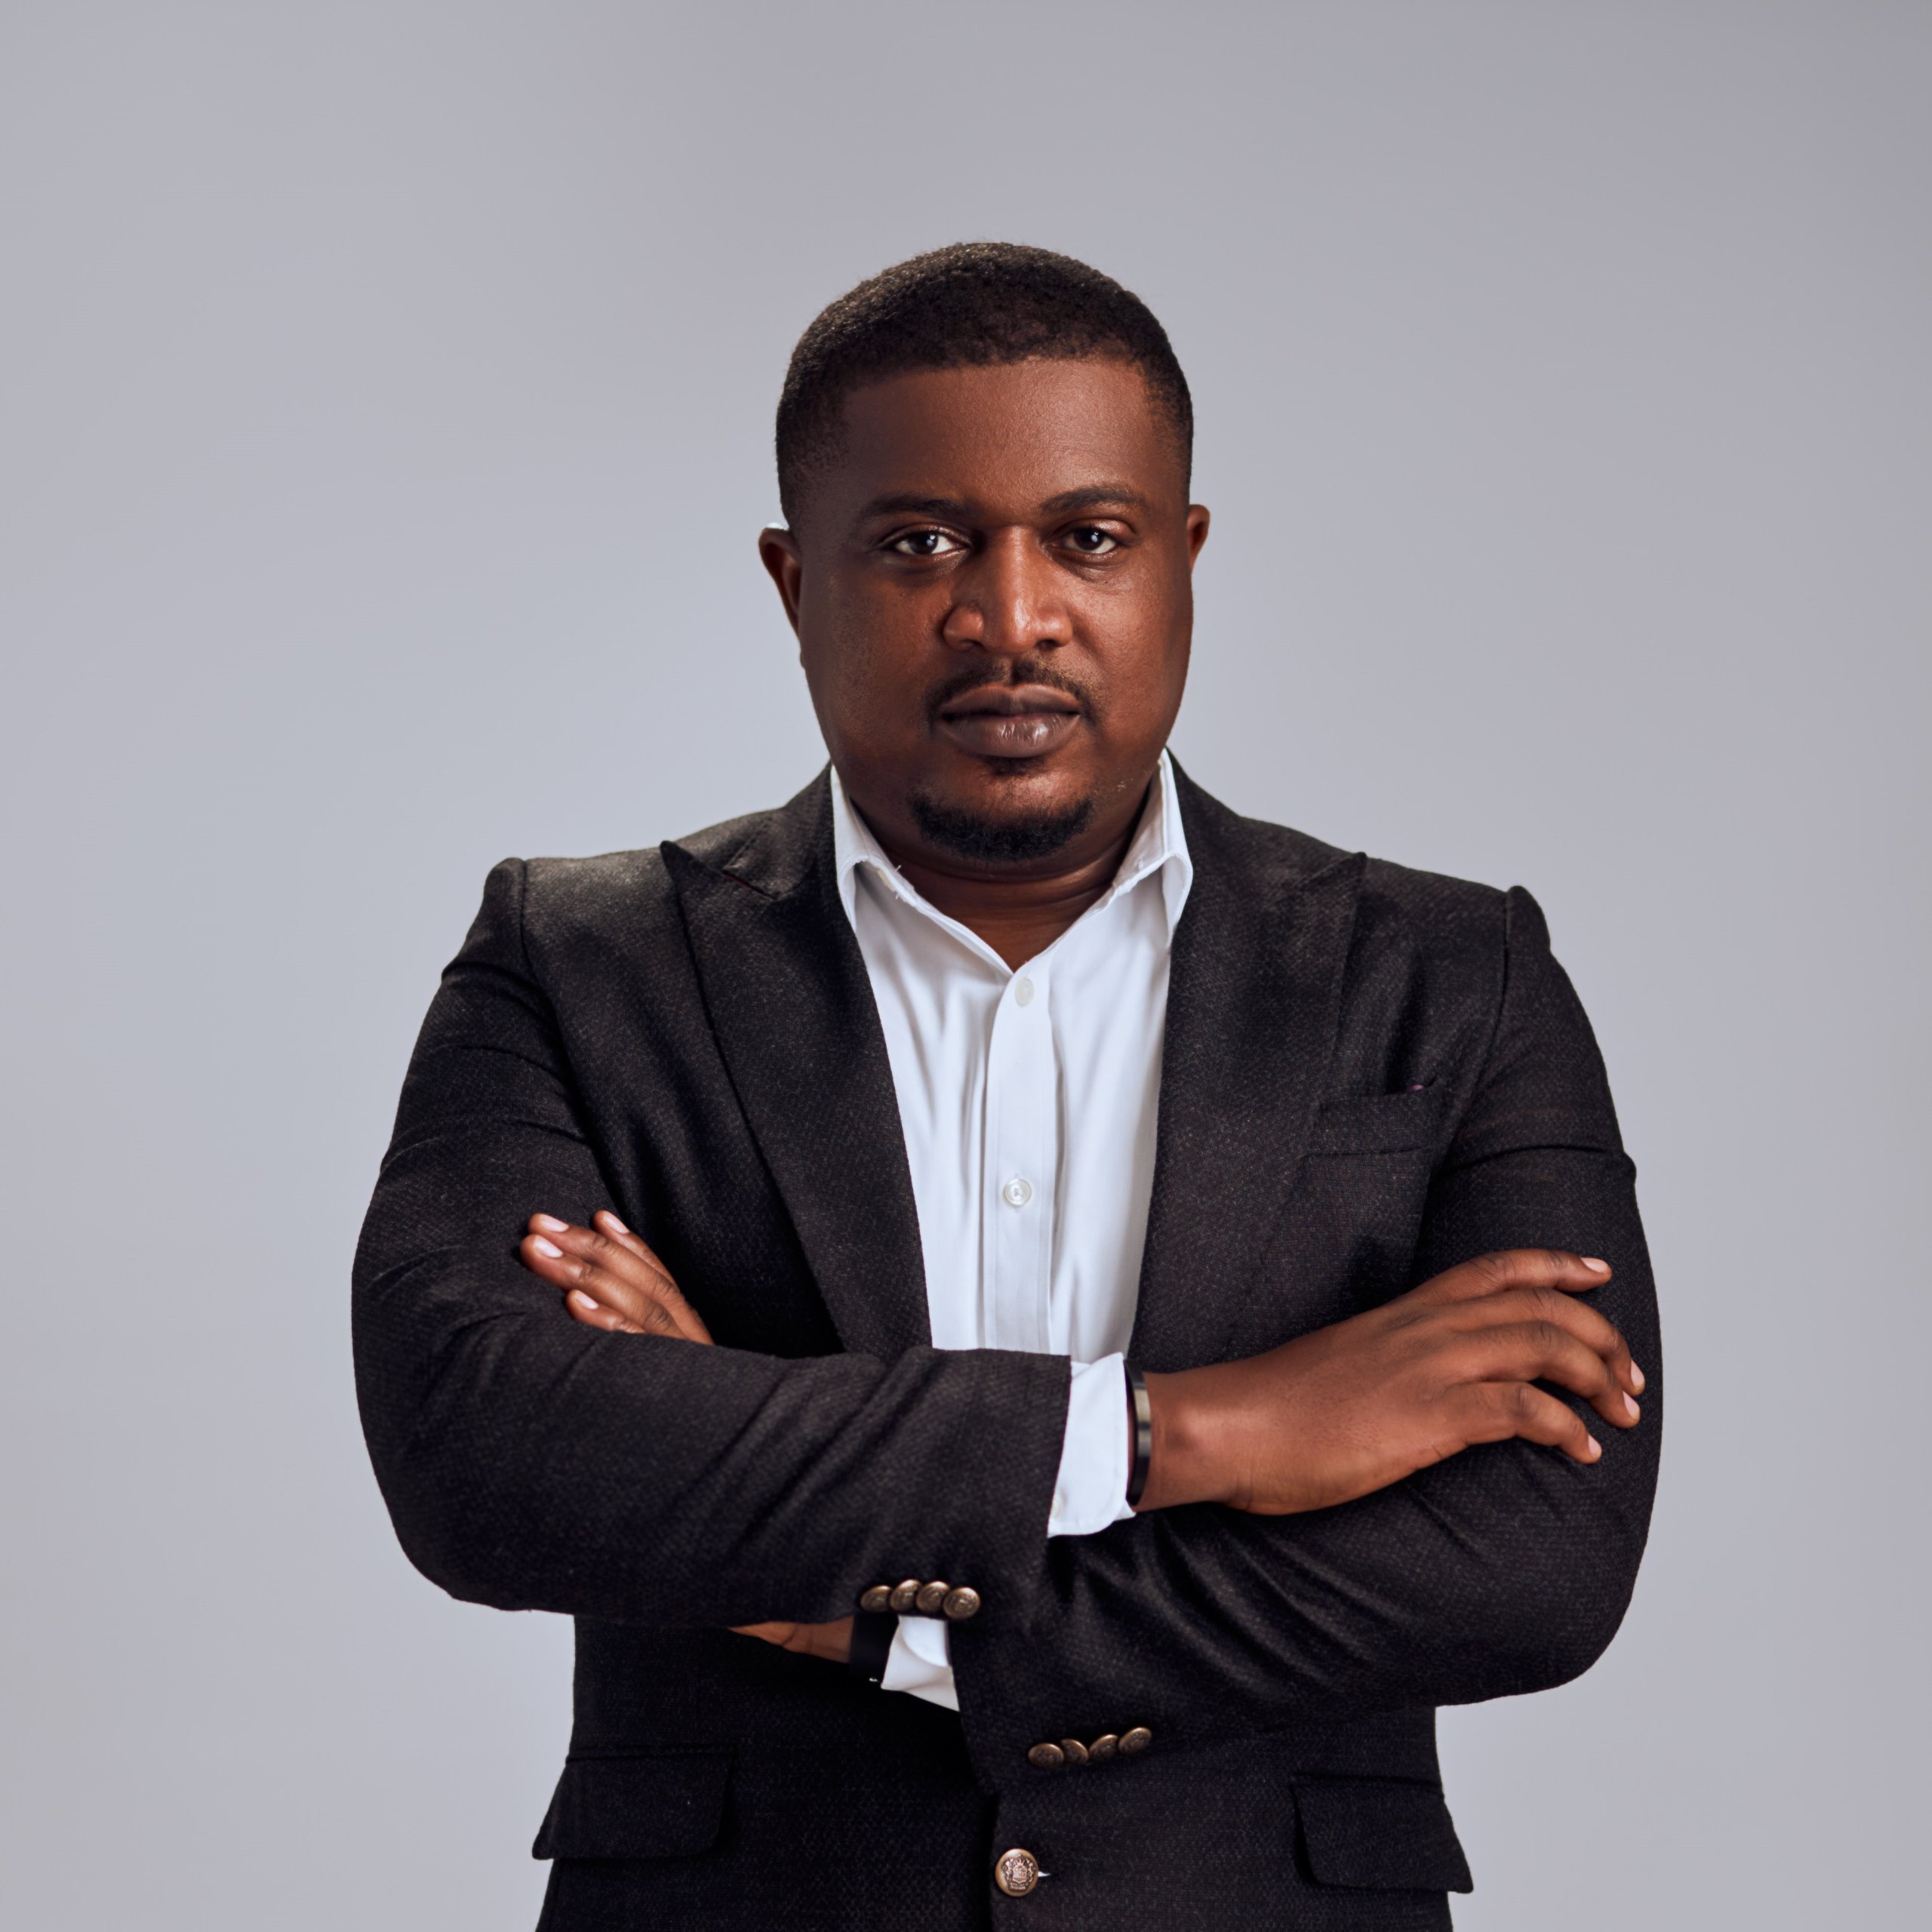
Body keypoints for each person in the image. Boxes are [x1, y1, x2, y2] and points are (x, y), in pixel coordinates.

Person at [353, 242, 1660, 1930]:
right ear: (792, 581)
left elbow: (1535, 1564)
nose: (1011, 615)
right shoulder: (580, 961)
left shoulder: (1451, 973)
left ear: (1183, 562)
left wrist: (850, 1614)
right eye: (919, 542)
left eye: (1089, 537)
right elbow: (488, 1456)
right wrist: (1191, 1429)